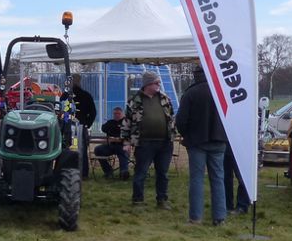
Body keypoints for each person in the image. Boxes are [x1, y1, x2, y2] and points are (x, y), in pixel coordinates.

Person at [175, 65, 227, 226]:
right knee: (218, 178)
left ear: (196, 75)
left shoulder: (190, 93)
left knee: (196, 179)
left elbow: (181, 121)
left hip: (197, 142)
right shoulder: (222, 91)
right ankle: (219, 217)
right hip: (219, 140)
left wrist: (187, 135)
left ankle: (195, 218)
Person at [121, 70, 177, 209]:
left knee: (163, 173)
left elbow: (171, 117)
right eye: (155, 82)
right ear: (147, 84)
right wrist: (126, 142)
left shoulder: (165, 99)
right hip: (144, 143)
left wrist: (173, 135)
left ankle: (162, 200)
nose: (159, 84)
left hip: (165, 143)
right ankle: (138, 200)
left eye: (158, 82)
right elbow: (127, 123)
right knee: (141, 172)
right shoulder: (134, 101)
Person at [93, 106, 130, 179]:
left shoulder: (126, 122)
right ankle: (108, 171)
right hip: (110, 145)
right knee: (98, 149)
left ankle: (123, 172)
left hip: (122, 145)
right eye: (115, 114)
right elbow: (104, 128)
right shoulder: (110, 122)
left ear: (122, 114)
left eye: (118, 113)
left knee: (123, 151)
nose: (116, 115)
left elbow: (128, 133)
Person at [71, 75, 96, 179]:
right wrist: (87, 124)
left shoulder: (66, 96)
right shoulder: (86, 95)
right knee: (81, 150)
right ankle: (83, 173)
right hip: (81, 127)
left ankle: (70, 170)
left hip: (69, 128)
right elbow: (93, 113)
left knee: (70, 148)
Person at [224, 148, 250, 215]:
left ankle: (242, 206)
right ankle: (227, 205)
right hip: (226, 144)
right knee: (226, 177)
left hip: (239, 146)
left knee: (242, 176)